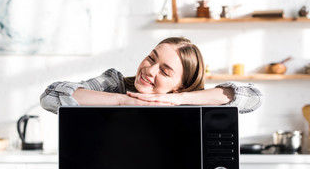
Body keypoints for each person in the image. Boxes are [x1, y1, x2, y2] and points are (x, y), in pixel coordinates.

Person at [40, 37, 262, 114]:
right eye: (151, 57)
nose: (149, 69)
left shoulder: (189, 101)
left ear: (180, 86)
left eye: (165, 71)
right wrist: (123, 100)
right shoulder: (114, 84)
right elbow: (50, 95)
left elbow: (253, 97)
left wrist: (179, 100)